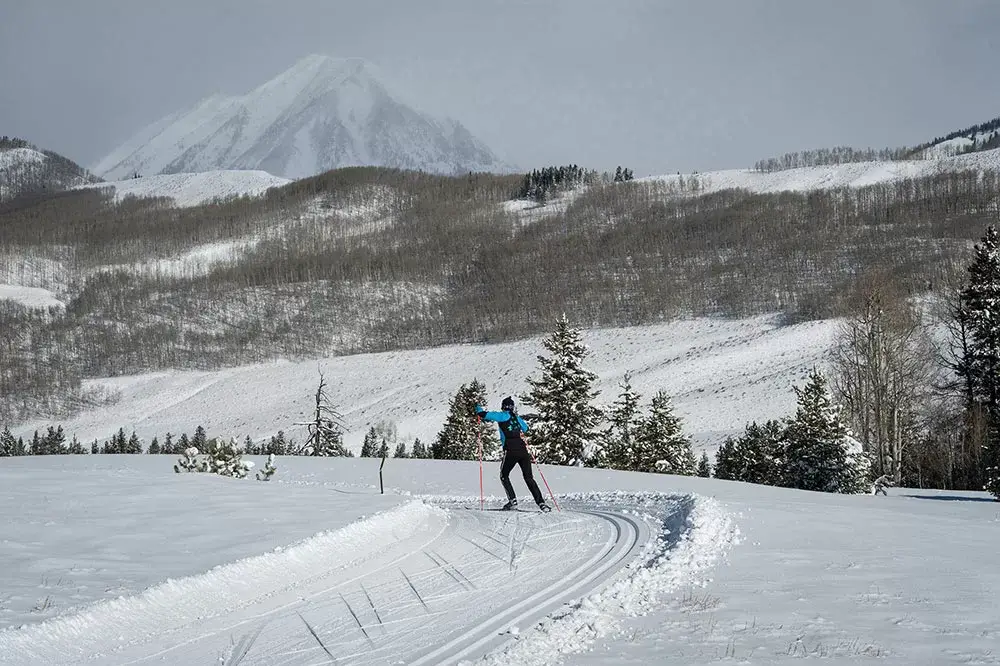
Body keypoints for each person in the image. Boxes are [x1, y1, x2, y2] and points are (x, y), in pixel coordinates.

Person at [475, 396, 551, 512]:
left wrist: (478, 408)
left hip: (510, 451)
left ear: (503, 406)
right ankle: (541, 503)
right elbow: (525, 428)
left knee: (504, 475)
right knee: (529, 478)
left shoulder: (502, 416)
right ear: (512, 407)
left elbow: (485, 415)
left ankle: (513, 501)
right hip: (523, 451)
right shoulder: (516, 418)